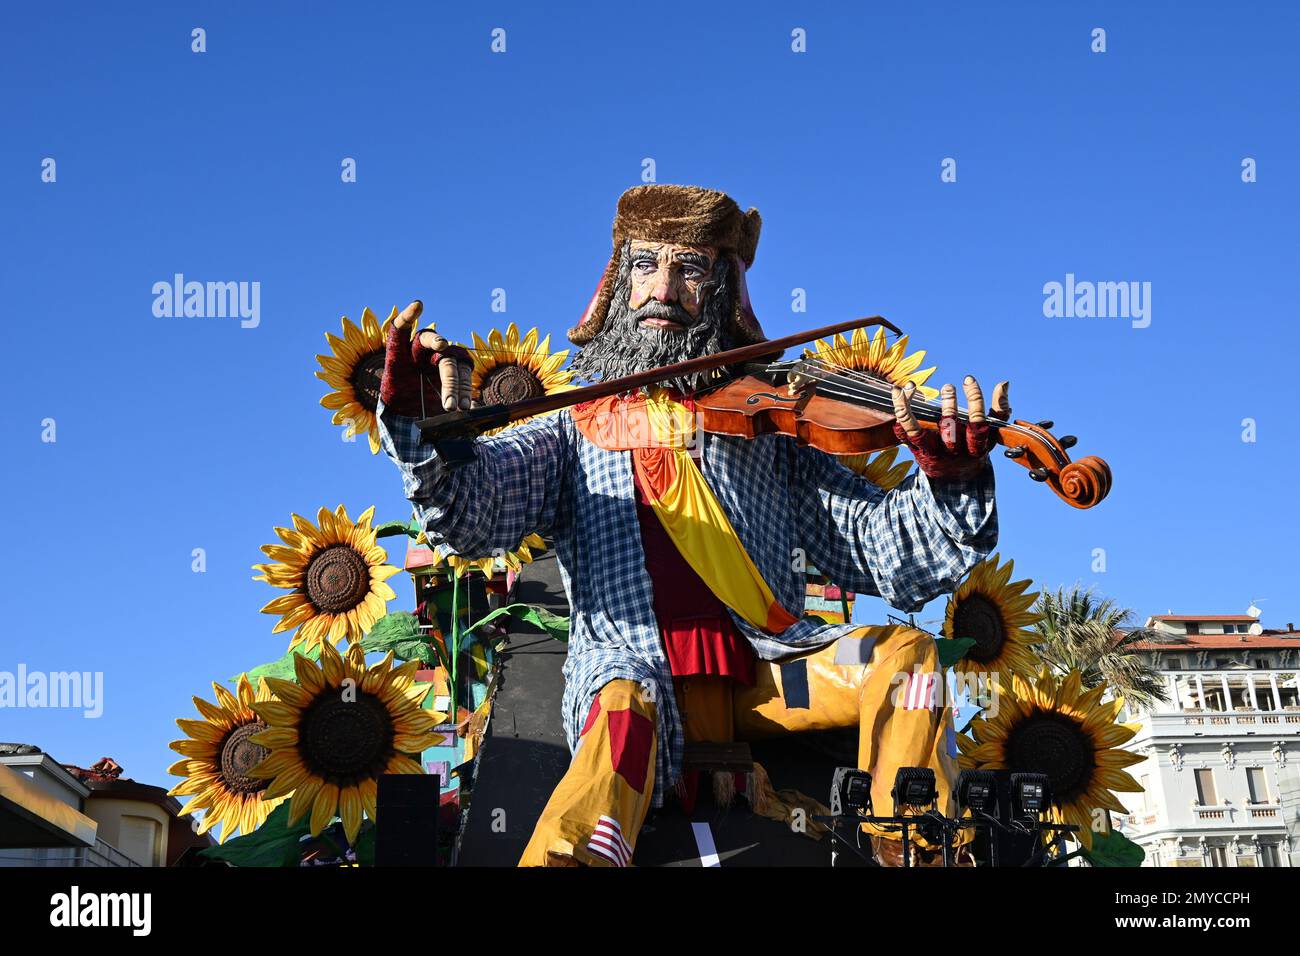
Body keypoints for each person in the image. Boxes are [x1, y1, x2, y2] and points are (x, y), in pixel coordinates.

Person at [376, 184, 1009, 866]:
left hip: (769, 674)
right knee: (619, 722)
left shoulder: (767, 429)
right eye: (645, 266)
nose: (664, 290)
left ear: (726, 291)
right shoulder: (575, 427)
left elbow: (886, 555)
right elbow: (470, 519)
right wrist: (418, 433)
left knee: (907, 658)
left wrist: (952, 482)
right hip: (634, 674)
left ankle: (913, 846)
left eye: (691, 269)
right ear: (615, 286)